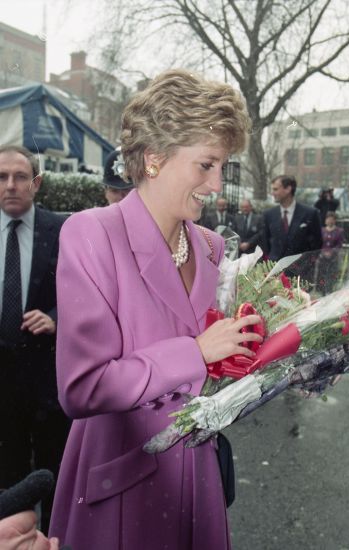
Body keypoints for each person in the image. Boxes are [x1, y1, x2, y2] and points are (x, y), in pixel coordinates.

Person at [49, 68, 262, 550]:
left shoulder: (211, 247)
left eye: (223, 167)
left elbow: (218, 367)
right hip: (125, 481)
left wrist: (271, 358)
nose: (216, 185)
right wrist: (195, 353)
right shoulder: (92, 234)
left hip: (199, 476)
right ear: (154, 159)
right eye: (206, 165)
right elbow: (81, 388)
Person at [0, 145, 70, 534]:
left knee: (52, 471)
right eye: (1, 177)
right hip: (1, 381)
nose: (11, 185)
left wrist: (58, 318)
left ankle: (54, 538)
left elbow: (89, 294)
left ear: (36, 183)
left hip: (47, 377)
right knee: (7, 476)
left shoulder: (60, 230)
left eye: (20, 176)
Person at [263, 175, 323, 261]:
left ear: (288, 189)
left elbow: (317, 243)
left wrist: (308, 264)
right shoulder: (269, 215)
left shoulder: (310, 213)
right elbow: (266, 243)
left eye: (275, 189)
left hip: (301, 269)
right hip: (275, 269)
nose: (272, 193)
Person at [316, 211, 344, 294]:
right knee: (321, 277)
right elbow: (318, 243)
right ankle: (322, 293)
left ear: (335, 220)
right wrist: (322, 252)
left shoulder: (339, 231)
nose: (329, 221)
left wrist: (331, 252)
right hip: (322, 258)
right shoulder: (322, 230)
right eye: (328, 219)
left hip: (333, 259)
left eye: (332, 219)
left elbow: (339, 245)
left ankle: (330, 293)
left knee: (331, 278)